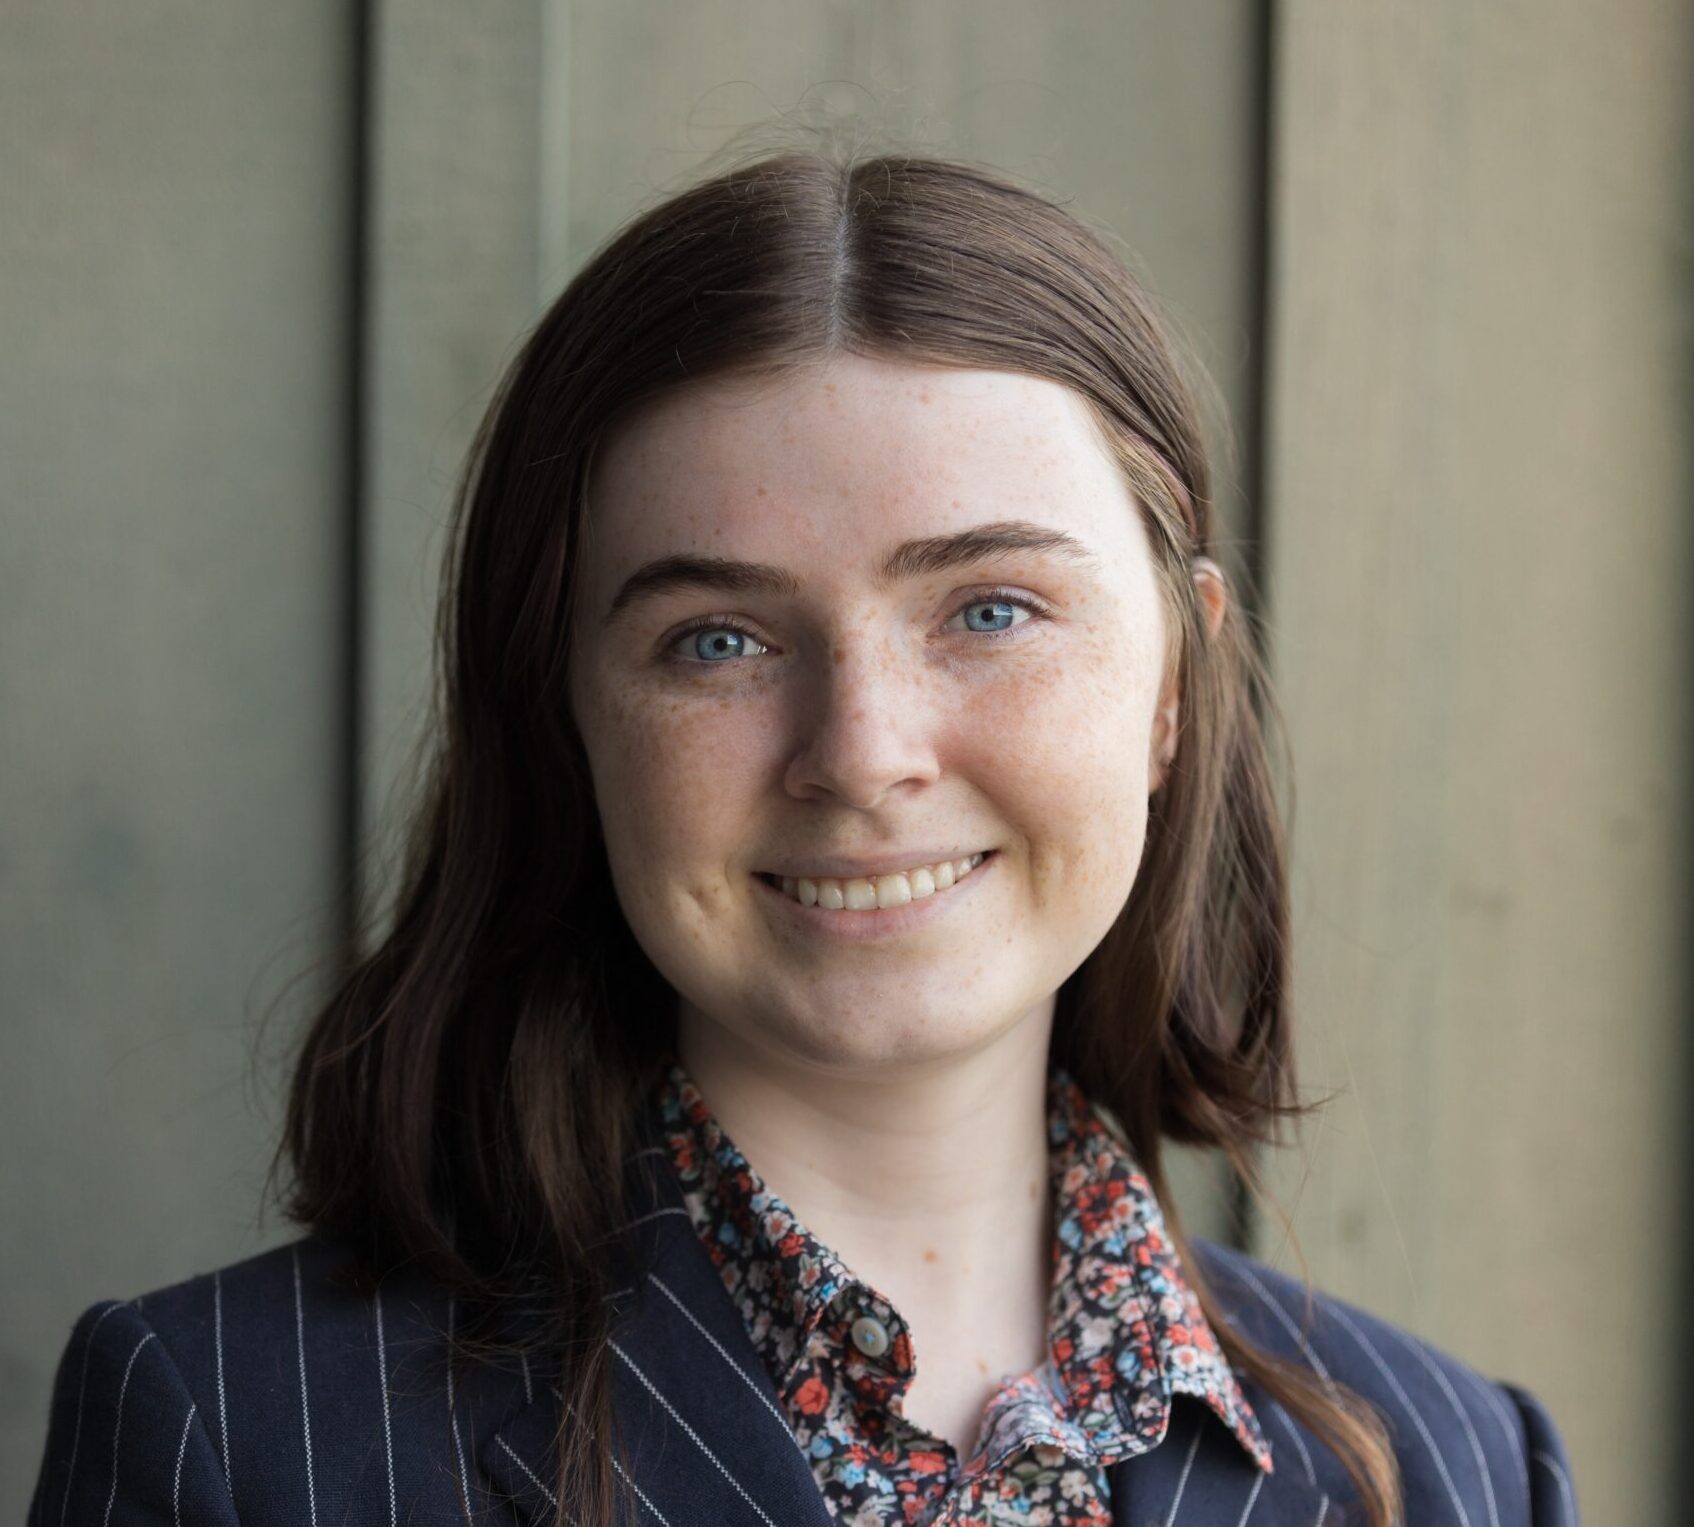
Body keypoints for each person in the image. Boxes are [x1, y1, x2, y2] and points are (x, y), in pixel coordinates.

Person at [31, 146, 1578, 1527]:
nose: (860, 754)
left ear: (1172, 682)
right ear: (564, 715)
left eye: (990, 610)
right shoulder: (235, 1444)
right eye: (717, 641)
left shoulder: (1460, 1471)